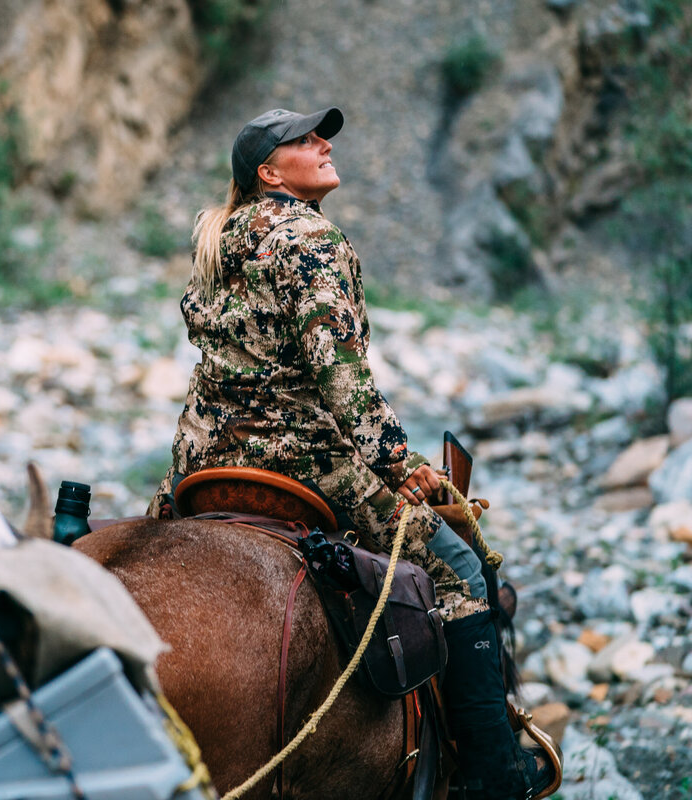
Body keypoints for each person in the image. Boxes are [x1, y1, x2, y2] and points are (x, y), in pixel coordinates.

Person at [150, 107, 555, 800]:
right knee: (460, 571)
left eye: (321, 135)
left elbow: (224, 365)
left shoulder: (221, 239)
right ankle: (493, 771)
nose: (324, 143)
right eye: (304, 140)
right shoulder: (310, 236)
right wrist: (404, 466)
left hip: (205, 459)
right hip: (301, 460)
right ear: (268, 173)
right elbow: (340, 377)